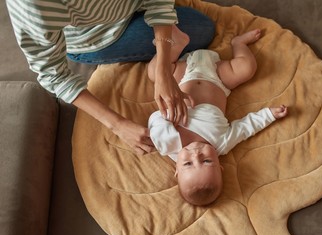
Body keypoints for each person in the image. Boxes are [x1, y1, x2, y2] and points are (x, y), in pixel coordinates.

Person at [6, 0, 215, 155]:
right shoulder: (32, 7)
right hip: (95, 36)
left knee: (201, 27)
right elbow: (54, 75)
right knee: (203, 29)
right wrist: (118, 125)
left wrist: (163, 69)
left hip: (130, 7)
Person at [147, 29, 288, 206]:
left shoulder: (166, 143)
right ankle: (239, 44)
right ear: (219, 165)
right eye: (206, 160)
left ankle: (176, 45)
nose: (196, 155)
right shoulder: (221, 143)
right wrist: (269, 114)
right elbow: (245, 127)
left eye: (188, 164)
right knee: (247, 68)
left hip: (180, 76)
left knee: (154, 72)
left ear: (176, 170)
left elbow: (154, 119)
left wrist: (167, 116)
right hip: (218, 77)